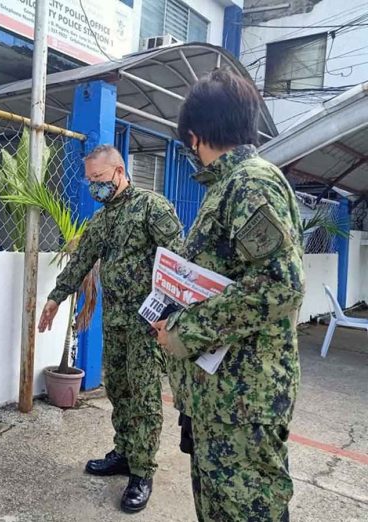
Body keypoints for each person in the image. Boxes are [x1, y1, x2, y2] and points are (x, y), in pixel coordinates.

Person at [153, 68, 305, 521]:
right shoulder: (229, 187)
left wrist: (187, 331)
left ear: (196, 138)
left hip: (243, 400)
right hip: (222, 398)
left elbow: (282, 284)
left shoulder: (249, 184)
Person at [38, 144, 182, 514]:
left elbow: (180, 263)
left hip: (150, 324)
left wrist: (172, 314)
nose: (94, 187)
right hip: (115, 323)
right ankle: (123, 453)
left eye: (98, 179)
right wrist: (56, 297)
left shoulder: (153, 208)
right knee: (118, 389)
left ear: (119, 172)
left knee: (145, 397)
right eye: (89, 181)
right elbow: (82, 260)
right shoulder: (101, 220)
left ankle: (143, 472)